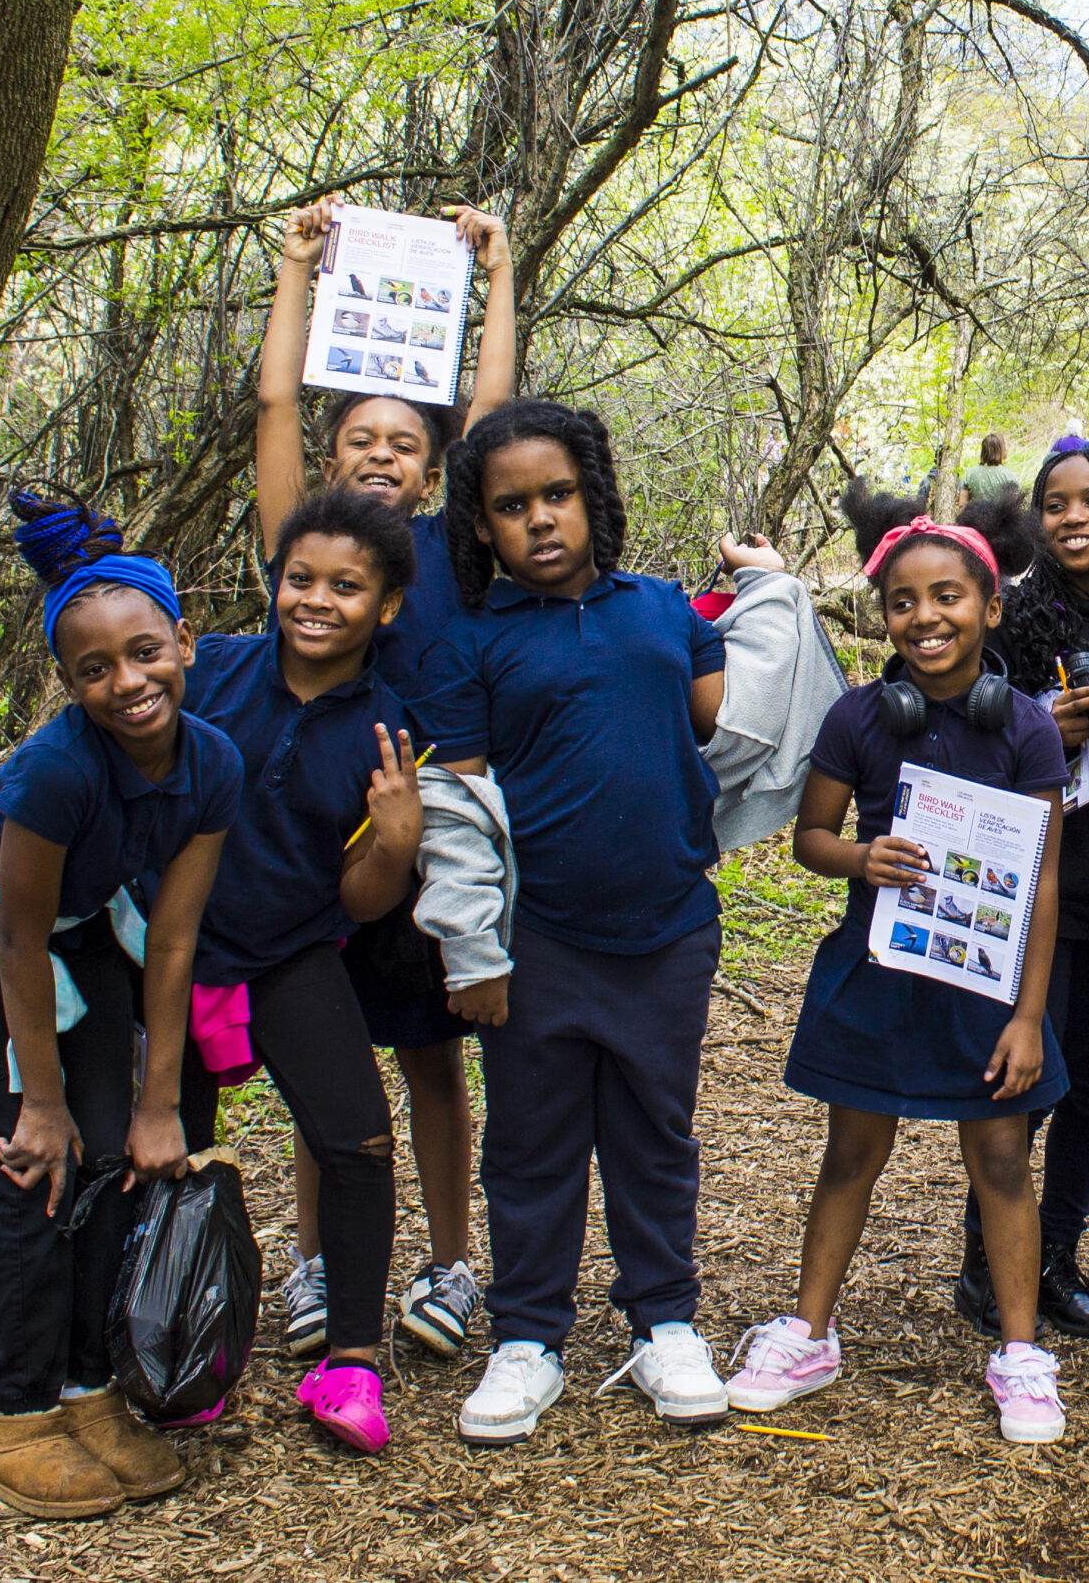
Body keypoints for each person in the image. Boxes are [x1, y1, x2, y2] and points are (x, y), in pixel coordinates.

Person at [0, 492, 239, 1519]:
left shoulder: (212, 763)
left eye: (143, 653)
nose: (126, 683)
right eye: (94, 670)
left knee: (115, 1156)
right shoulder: (55, 772)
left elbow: (171, 939)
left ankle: (86, 1390)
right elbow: (13, 939)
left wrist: (157, 1100)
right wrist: (38, 1102)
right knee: (40, 1159)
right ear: (69, 682)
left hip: (75, 927)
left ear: (184, 642)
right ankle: (12, 1415)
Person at [408, 399, 753, 1444]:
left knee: (654, 1131)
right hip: (537, 941)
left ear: (593, 499)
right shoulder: (471, 645)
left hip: (667, 928)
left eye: (558, 495)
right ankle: (528, 1338)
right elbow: (457, 811)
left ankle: (664, 1322)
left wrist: (773, 593)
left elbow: (734, 723)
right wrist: (471, 950)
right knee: (532, 1140)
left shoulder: (662, 613)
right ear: (481, 526)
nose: (541, 520)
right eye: (512, 507)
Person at [722, 484, 1073, 1445]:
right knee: (851, 1151)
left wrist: (1029, 1014)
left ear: (991, 608)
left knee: (1000, 1156)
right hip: (880, 972)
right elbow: (811, 836)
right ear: (885, 614)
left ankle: (1019, 1351)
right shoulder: (858, 718)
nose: (927, 617)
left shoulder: (1027, 729)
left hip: (985, 983)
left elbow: (1041, 881)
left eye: (949, 596)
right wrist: (858, 857)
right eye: (905, 601)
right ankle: (809, 1330)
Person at [251, 191, 515, 1362]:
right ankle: (320, 1266)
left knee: (433, 1065)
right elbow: (272, 402)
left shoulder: (455, 553)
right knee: (326, 1075)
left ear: (430, 470)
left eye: (403, 445)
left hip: (440, 841)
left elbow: (495, 410)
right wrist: (297, 269)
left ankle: (452, 1267)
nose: (378, 456)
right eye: (359, 439)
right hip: (326, 847)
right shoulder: (307, 554)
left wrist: (495, 273)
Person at [173, 489, 425, 1454]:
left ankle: (351, 1365)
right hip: (171, 952)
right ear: (273, 582)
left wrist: (396, 843)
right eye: (300, 579)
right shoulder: (211, 673)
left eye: (346, 587)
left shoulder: (388, 729)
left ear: (387, 605)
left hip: (288, 952)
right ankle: (178, 1350)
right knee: (170, 1153)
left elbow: (361, 900)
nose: (317, 601)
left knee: (358, 1138)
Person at [951, 436, 1089, 1338]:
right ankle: (986, 1260)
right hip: (1042, 892)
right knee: (1025, 1080)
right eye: (1054, 502)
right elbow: (961, 730)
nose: (1071, 517)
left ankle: (1056, 1258)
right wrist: (1047, 727)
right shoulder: (1013, 616)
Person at [961, 432, 1019, 504]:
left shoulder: (971, 474)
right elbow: (1014, 505)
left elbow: (962, 504)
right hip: (1000, 515)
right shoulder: (1009, 475)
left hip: (975, 514)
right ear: (1001, 450)